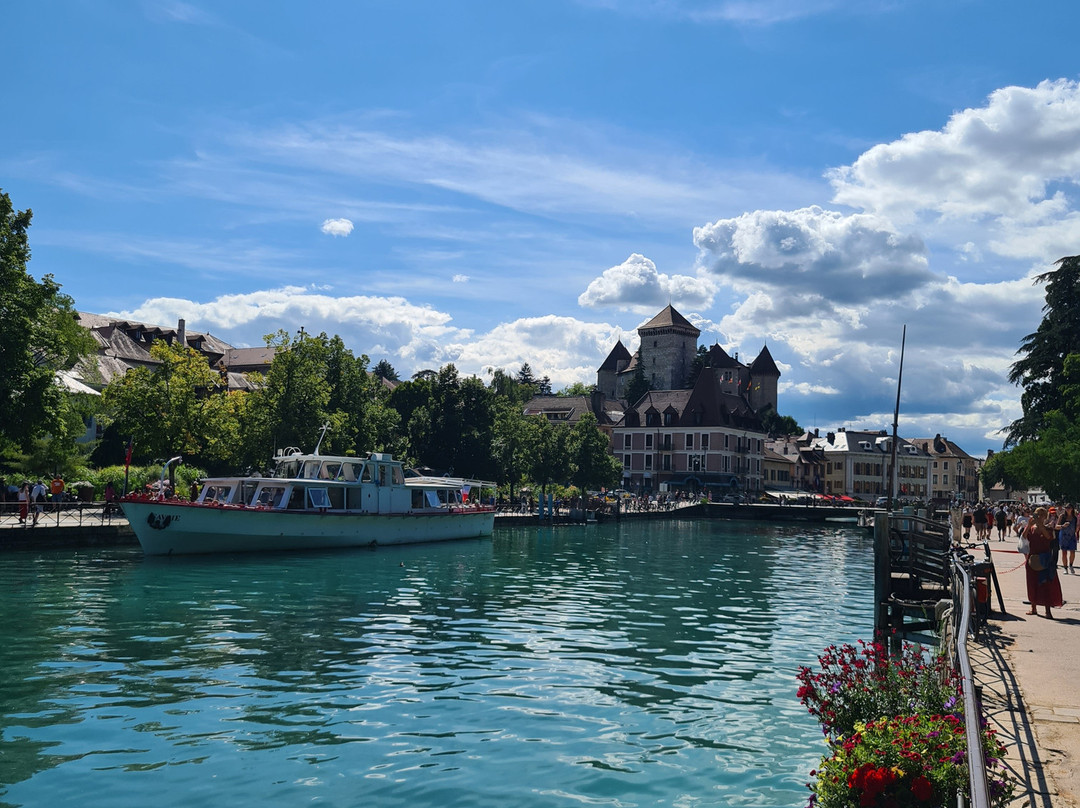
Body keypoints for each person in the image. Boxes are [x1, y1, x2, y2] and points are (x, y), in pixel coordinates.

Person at [1024, 506, 1064, 618]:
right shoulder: (1032, 528)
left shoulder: (1048, 528)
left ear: (1045, 517)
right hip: (1032, 558)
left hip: (1044, 559)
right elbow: (1024, 536)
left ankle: (1048, 611)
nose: (1040, 517)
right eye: (1038, 514)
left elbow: (1048, 537)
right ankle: (1033, 608)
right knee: (1031, 583)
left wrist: (1039, 524)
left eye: (1042, 515)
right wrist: (1029, 525)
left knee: (1045, 584)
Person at [1056, 503, 1077, 574]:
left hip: (1071, 536)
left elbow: (1076, 526)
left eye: (1069, 508)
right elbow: (1056, 526)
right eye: (1066, 508)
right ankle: (1065, 568)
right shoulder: (1062, 516)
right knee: (1064, 552)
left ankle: (1071, 565)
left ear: (1072, 509)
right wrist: (1062, 525)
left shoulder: (1074, 517)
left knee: (1072, 552)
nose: (1067, 509)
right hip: (1063, 536)